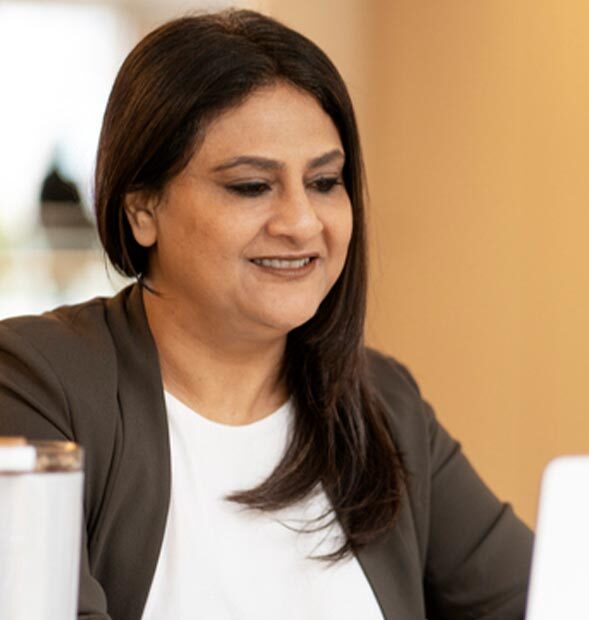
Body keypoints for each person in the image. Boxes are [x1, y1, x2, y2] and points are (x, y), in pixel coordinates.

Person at [0, 9, 532, 620]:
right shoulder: (33, 384)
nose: (303, 223)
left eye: (326, 181)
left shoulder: (384, 404)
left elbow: (549, 601)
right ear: (142, 207)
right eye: (252, 186)